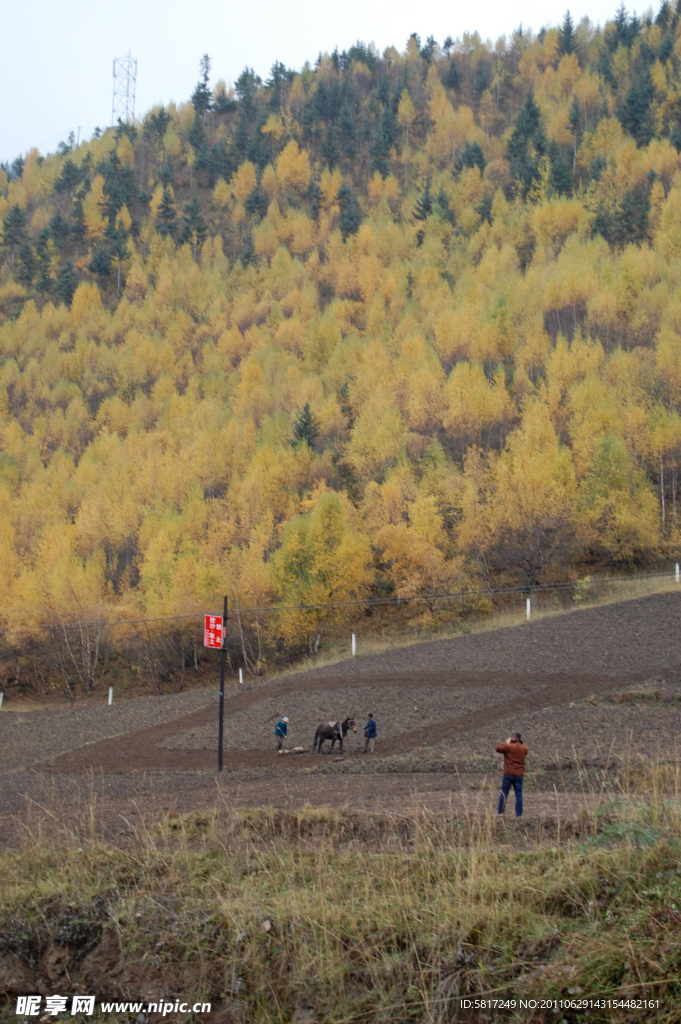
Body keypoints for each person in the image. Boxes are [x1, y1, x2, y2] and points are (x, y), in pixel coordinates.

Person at [495, 732, 529, 817]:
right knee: (519, 794)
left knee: (504, 793)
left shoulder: (509, 747)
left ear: (513, 738)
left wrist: (506, 742)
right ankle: (519, 814)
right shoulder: (525, 749)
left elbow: (498, 749)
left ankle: (500, 812)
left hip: (508, 774)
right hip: (519, 775)